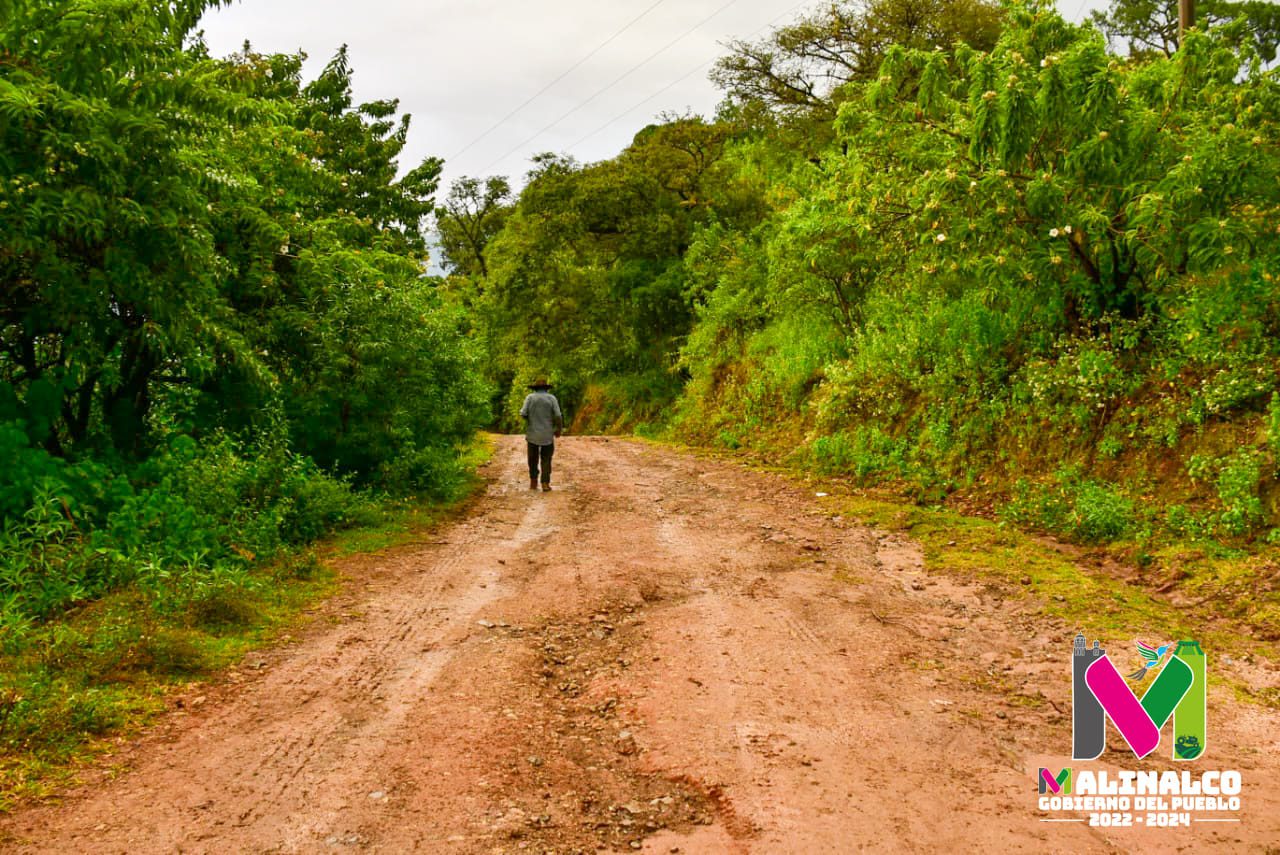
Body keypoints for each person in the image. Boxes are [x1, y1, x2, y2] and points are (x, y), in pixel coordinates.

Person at [520, 379, 563, 491]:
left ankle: (533, 481)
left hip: (532, 434)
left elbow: (523, 413)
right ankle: (545, 483)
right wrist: (558, 429)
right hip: (547, 434)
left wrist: (531, 420)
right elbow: (558, 415)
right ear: (546, 388)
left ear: (535, 388)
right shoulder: (551, 398)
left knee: (532, 459)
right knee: (546, 459)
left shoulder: (529, 398)